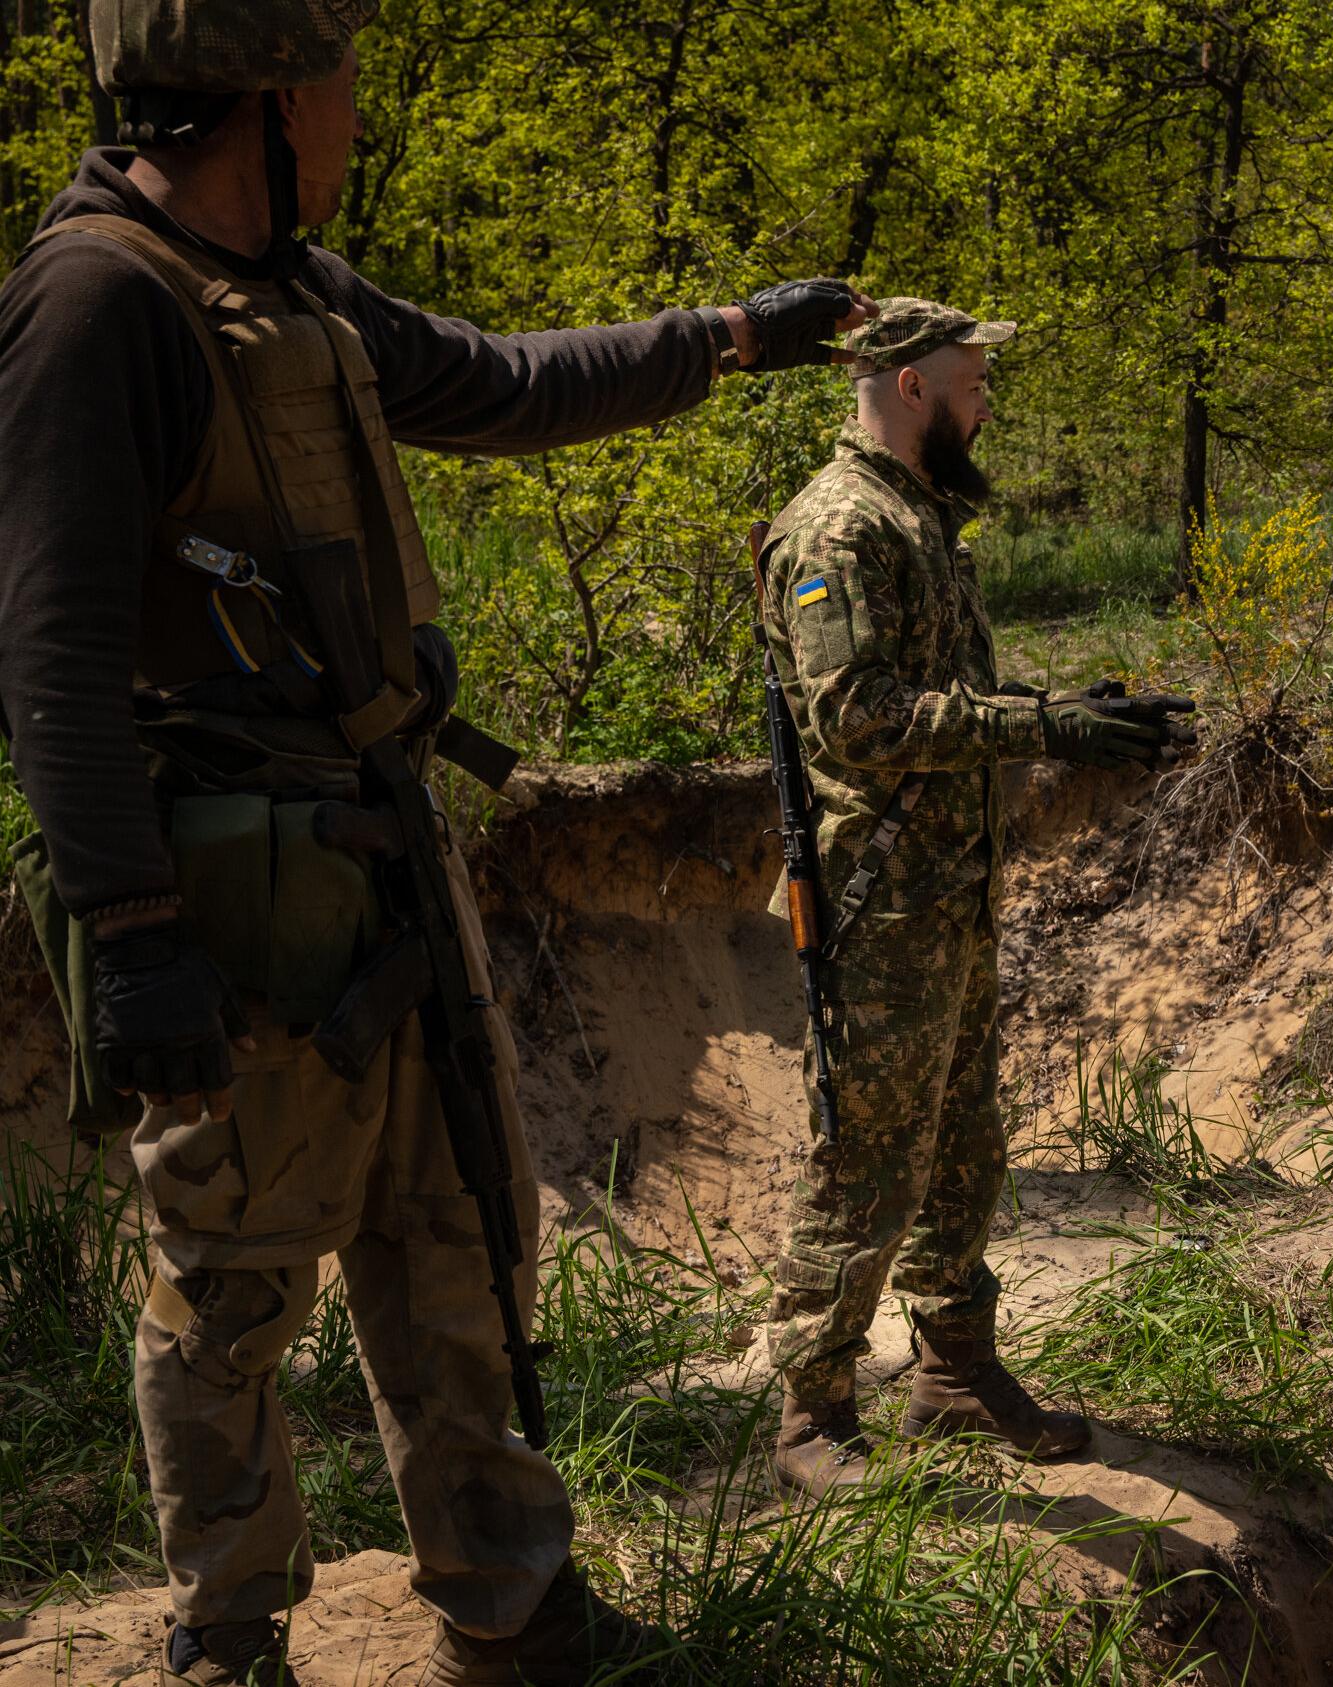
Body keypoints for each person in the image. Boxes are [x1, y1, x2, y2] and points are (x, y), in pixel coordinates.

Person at [0, 3, 869, 1680]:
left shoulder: (292, 284)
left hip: (382, 851)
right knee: (233, 1282)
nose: (350, 110)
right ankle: (229, 1632)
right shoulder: (100, 304)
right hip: (235, 891)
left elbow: (495, 383)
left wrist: (730, 339)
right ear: (261, 92)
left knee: (454, 1226)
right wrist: (132, 931)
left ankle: (510, 1597)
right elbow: (45, 657)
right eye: (332, 77)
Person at [758, 298, 1189, 1497]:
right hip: (880, 900)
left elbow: (934, 692)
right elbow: (858, 716)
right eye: (972, 376)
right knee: (867, 1160)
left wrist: (1062, 709)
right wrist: (1042, 725)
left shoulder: (920, 514)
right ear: (909, 386)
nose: (988, 395)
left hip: (950, 888)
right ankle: (812, 1407)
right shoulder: (839, 526)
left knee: (964, 1140)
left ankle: (950, 1370)